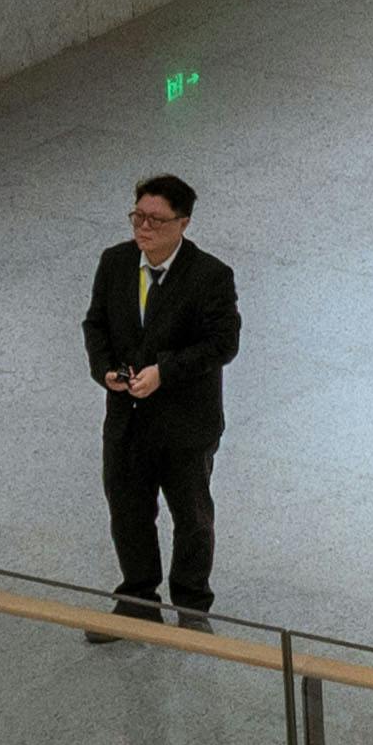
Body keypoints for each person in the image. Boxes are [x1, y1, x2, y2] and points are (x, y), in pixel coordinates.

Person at [80, 173, 238, 627]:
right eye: (138, 217)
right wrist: (105, 370)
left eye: (156, 220)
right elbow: (95, 325)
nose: (143, 228)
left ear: (183, 223)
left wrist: (163, 372)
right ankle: (138, 600)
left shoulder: (210, 276)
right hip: (127, 421)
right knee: (128, 512)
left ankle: (191, 605)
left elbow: (222, 344)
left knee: (191, 517)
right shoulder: (115, 263)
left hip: (185, 425)